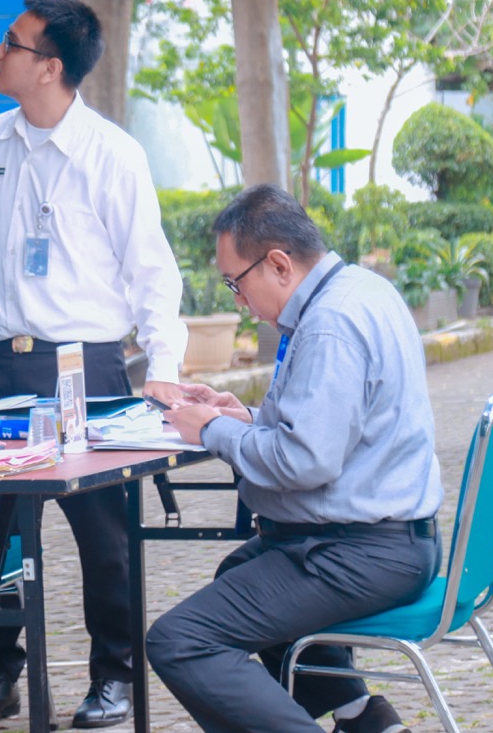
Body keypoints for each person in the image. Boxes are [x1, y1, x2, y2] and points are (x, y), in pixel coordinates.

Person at [0, 0, 188, 729]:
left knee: (104, 535)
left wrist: (164, 366)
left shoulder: (113, 154)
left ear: (49, 67)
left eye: (12, 43)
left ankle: (116, 676)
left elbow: (152, 272)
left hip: (82, 369)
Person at [149, 184, 444, 733]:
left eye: (236, 283)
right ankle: (363, 718)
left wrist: (211, 429)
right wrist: (244, 417)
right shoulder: (362, 289)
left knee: (181, 640)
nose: (238, 302)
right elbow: (332, 425)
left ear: (279, 264)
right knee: (241, 572)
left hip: (362, 552)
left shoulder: (330, 326)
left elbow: (304, 462)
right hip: (392, 538)